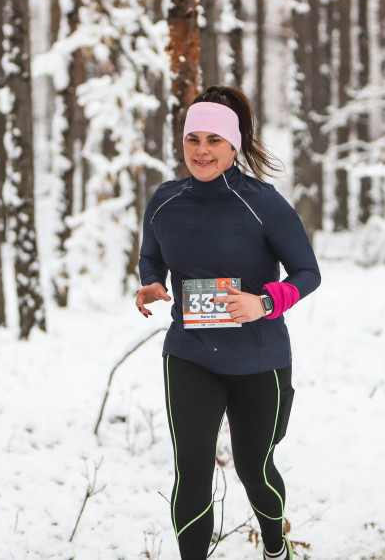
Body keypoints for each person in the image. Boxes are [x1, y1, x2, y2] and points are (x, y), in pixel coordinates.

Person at [135, 86, 321, 560]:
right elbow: (149, 255)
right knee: (192, 469)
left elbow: (307, 273)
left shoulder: (262, 202)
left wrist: (265, 302)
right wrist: (151, 283)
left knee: (254, 469)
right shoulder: (165, 200)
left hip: (259, 358)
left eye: (214, 140)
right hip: (190, 356)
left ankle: (276, 548)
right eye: (192, 139)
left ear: (234, 145)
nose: (201, 150)